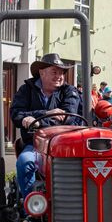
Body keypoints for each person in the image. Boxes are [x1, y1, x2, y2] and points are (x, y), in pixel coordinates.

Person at [10, 53, 80, 198]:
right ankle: (30, 207)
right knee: (24, 162)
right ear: (42, 72)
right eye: (55, 72)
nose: (60, 76)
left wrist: (36, 120)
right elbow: (16, 114)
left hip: (66, 145)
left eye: (62, 72)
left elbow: (67, 118)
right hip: (36, 144)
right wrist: (48, 113)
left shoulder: (69, 91)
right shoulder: (26, 90)